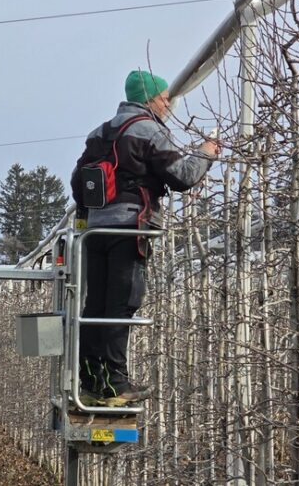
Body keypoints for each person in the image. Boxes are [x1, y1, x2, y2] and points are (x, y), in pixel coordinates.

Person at [71, 69, 220, 405]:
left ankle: (91, 379)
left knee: (95, 305)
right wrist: (206, 152)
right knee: (122, 304)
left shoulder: (100, 133)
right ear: (151, 98)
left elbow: (77, 182)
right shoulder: (148, 130)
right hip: (130, 227)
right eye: (165, 98)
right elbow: (182, 176)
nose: (168, 105)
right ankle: (116, 385)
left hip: (96, 231)